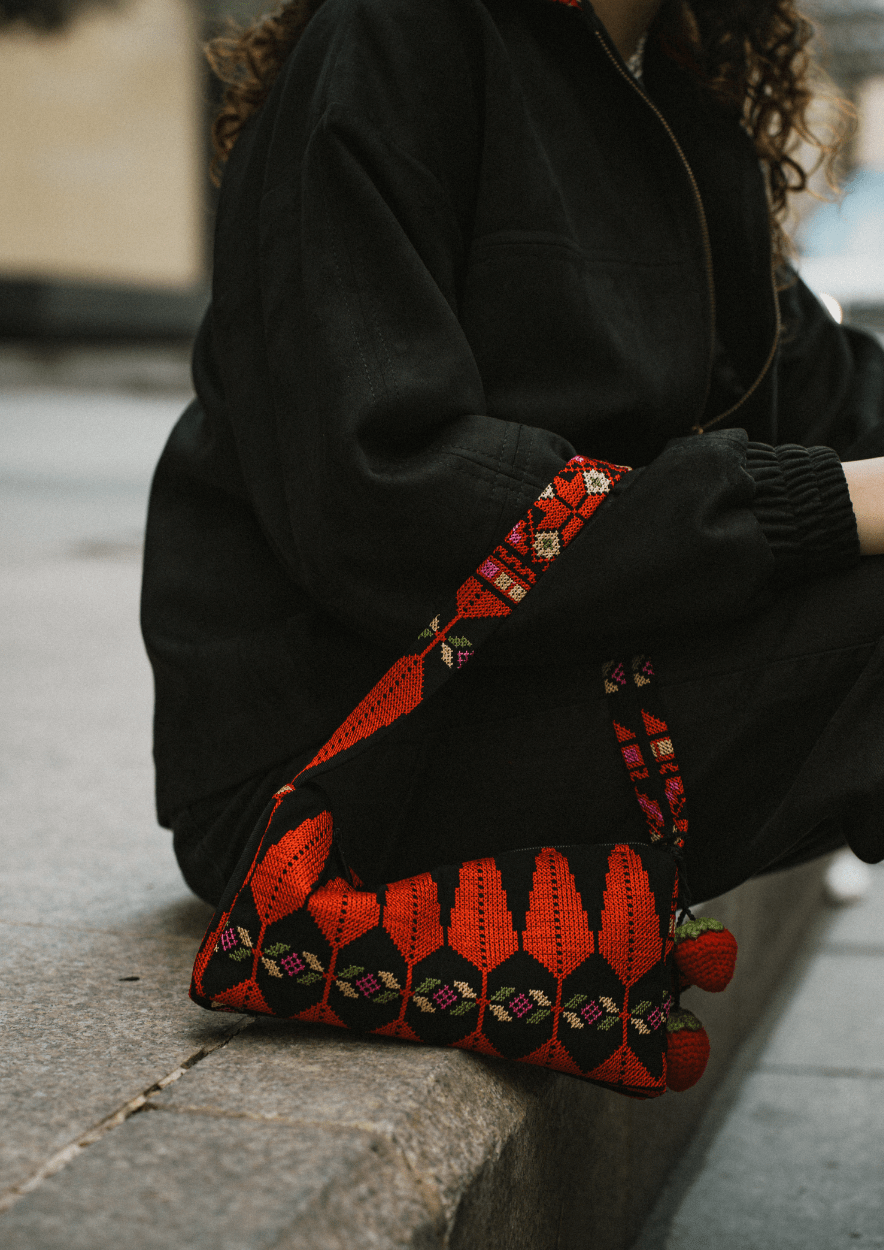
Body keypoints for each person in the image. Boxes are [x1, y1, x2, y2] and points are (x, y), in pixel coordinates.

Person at [140, 0, 884, 914]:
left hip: (537, 679)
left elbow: (831, 393)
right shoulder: (401, 32)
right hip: (335, 755)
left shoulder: (677, 89)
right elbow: (388, 499)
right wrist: (817, 504)